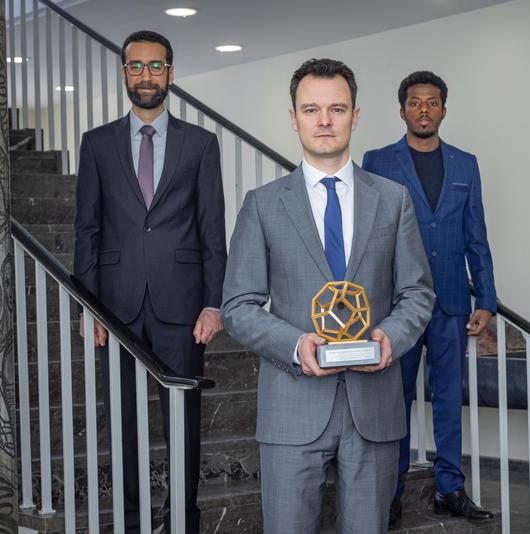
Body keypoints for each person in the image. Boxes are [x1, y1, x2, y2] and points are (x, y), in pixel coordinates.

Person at [221, 58, 434, 533]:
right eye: (311, 109)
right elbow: (238, 306)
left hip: (373, 407)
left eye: (336, 109)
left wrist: (389, 339)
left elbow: (417, 292)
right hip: (292, 407)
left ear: (355, 116)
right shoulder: (262, 204)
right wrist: (296, 345)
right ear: (293, 117)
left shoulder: (393, 198)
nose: (324, 120)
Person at [74, 30, 227, 533]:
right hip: (115, 308)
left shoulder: (201, 144)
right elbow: (87, 230)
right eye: (136, 66)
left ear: (170, 73)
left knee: (181, 421)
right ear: (124, 73)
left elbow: (211, 231)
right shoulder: (95, 144)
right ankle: (134, 520)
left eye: (155, 66)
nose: (145, 75)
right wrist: (88, 306)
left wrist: (213, 304)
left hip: (182, 307)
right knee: (123, 423)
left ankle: (183, 517)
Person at [362, 71, 496, 524]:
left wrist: (488, 300)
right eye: (415, 102)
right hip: (396, 306)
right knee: (393, 401)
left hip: (452, 302)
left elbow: (477, 237)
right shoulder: (377, 162)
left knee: (447, 400)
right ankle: (392, 490)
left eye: (432, 102)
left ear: (443, 109)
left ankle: (450, 488)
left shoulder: (465, 164)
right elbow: (369, 237)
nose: (423, 109)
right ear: (402, 110)